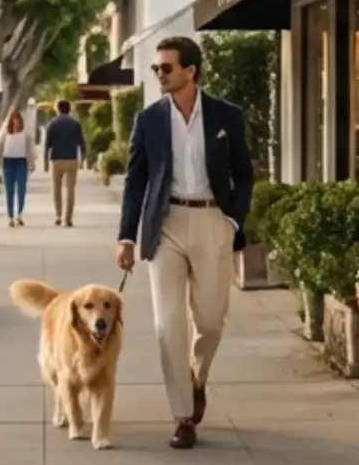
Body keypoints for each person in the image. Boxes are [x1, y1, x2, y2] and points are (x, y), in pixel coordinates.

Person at [115, 36, 254, 451]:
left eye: (166, 68)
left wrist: (232, 220)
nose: (159, 74)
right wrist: (126, 235)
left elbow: (244, 173)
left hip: (213, 220)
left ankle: (196, 375)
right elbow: (135, 179)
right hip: (167, 223)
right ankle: (182, 415)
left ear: (190, 71)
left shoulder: (227, 115)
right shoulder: (149, 119)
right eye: (156, 68)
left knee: (210, 321)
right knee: (167, 324)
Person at [43, 99, 86, 227]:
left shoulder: (52, 124)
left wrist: (45, 161)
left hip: (56, 159)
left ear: (58, 109)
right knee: (70, 189)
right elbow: (81, 142)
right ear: (69, 109)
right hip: (72, 159)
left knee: (56, 188)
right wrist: (83, 158)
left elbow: (47, 145)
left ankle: (58, 215)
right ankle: (68, 218)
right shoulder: (75, 124)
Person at [0, 106, 33, 227]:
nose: (16, 122)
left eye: (18, 119)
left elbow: (30, 149)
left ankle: (19, 214)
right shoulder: (5, 133)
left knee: (21, 188)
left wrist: (32, 163)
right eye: (14, 119)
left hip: (21, 161)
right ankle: (10, 216)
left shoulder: (25, 132)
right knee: (9, 190)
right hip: (8, 162)